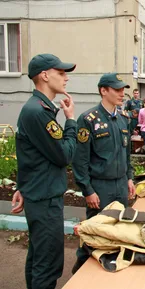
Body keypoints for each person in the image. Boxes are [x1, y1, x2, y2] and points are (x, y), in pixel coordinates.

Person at [11, 53, 77, 289]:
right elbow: (64, 155)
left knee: (38, 258)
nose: (65, 77)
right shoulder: (38, 111)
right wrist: (71, 121)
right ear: (45, 75)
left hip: (39, 193)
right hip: (45, 198)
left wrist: (22, 186)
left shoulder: (38, 108)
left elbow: (29, 155)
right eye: (60, 73)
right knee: (48, 263)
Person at [71, 72, 136, 273]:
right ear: (103, 91)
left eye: (123, 89)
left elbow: (126, 153)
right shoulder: (88, 119)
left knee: (119, 231)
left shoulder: (124, 118)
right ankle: (80, 272)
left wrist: (130, 178)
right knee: (94, 233)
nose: (122, 93)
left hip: (120, 185)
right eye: (117, 90)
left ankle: (109, 274)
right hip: (101, 187)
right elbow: (80, 160)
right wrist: (88, 190)